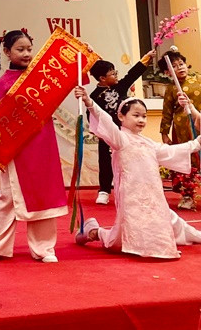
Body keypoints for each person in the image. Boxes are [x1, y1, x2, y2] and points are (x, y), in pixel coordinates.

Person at [74, 86, 201, 258]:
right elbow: (105, 120)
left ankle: (168, 243)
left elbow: (172, 151)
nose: (141, 120)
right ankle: (94, 232)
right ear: (121, 116)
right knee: (120, 241)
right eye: (136, 115)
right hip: (131, 195)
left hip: (153, 194)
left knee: (166, 218)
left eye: (144, 116)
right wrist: (89, 102)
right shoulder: (120, 139)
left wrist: (197, 143)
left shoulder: (148, 143)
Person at [0, 30, 67, 264]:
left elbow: (69, 76)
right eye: (20, 49)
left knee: (43, 195)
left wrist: (81, 57)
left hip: (42, 144)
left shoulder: (42, 75)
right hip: (15, 147)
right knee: (8, 197)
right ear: (7, 52)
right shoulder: (4, 82)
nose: (27, 54)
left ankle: (44, 248)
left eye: (29, 49)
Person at [87, 50, 155, 205]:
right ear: (102, 78)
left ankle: (133, 190)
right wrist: (96, 130)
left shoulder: (120, 87)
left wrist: (146, 58)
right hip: (107, 134)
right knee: (105, 161)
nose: (116, 75)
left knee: (131, 160)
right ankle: (104, 191)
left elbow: (133, 74)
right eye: (113, 73)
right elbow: (90, 113)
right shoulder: (94, 96)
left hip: (126, 132)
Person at [159, 50, 201, 210]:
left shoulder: (199, 80)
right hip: (182, 131)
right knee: (186, 162)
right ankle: (187, 196)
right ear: (167, 72)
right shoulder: (171, 89)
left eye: (181, 64)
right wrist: (164, 133)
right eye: (175, 66)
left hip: (199, 125)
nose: (180, 68)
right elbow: (167, 113)